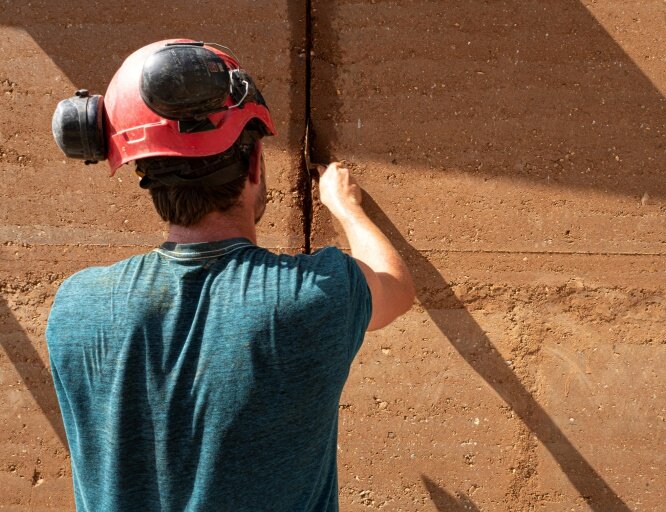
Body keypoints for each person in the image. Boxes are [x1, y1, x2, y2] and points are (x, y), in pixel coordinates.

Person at [46, 40, 415, 511]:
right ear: (255, 163)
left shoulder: (75, 307)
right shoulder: (314, 296)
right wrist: (346, 208)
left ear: (142, 172)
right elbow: (395, 287)